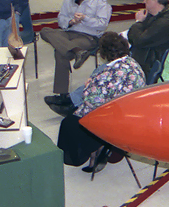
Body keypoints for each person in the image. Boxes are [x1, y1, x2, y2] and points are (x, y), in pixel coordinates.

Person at [53, 32, 146, 174]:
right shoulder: (133, 64)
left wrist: (89, 85)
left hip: (113, 117)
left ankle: (95, 149)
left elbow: (90, 101)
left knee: (68, 124)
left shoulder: (110, 74)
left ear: (104, 54)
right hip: (130, 112)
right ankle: (100, 149)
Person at [41, 0, 111, 105]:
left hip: (89, 36)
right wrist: (71, 22)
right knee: (45, 31)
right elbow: (61, 19)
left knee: (60, 52)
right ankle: (77, 51)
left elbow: (102, 25)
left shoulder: (99, 0)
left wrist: (85, 18)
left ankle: (62, 95)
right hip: (70, 32)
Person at [127, 0, 169, 80]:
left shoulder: (163, 24)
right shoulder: (153, 17)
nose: (144, 1)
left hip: (148, 66)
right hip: (146, 59)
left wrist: (138, 22)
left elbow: (138, 40)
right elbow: (134, 36)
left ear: (155, 1)